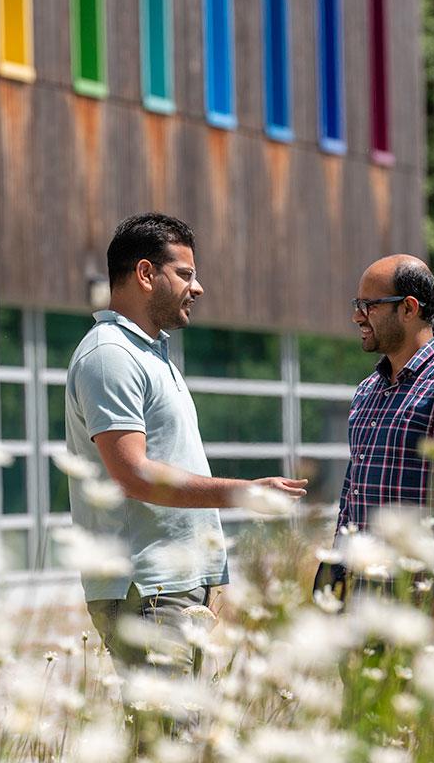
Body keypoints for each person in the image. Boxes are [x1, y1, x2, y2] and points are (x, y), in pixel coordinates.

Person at [65, 212, 306, 674]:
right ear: (145, 274)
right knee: (167, 742)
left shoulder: (149, 353)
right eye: (185, 274)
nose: (197, 288)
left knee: (185, 742)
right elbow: (133, 474)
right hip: (149, 594)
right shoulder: (110, 356)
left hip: (178, 590)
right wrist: (245, 493)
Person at [320, 254, 434, 623]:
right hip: (367, 603)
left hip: (427, 608)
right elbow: (354, 493)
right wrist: (338, 562)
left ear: (408, 308)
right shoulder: (368, 391)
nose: (357, 316)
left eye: (368, 305)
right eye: (357, 305)